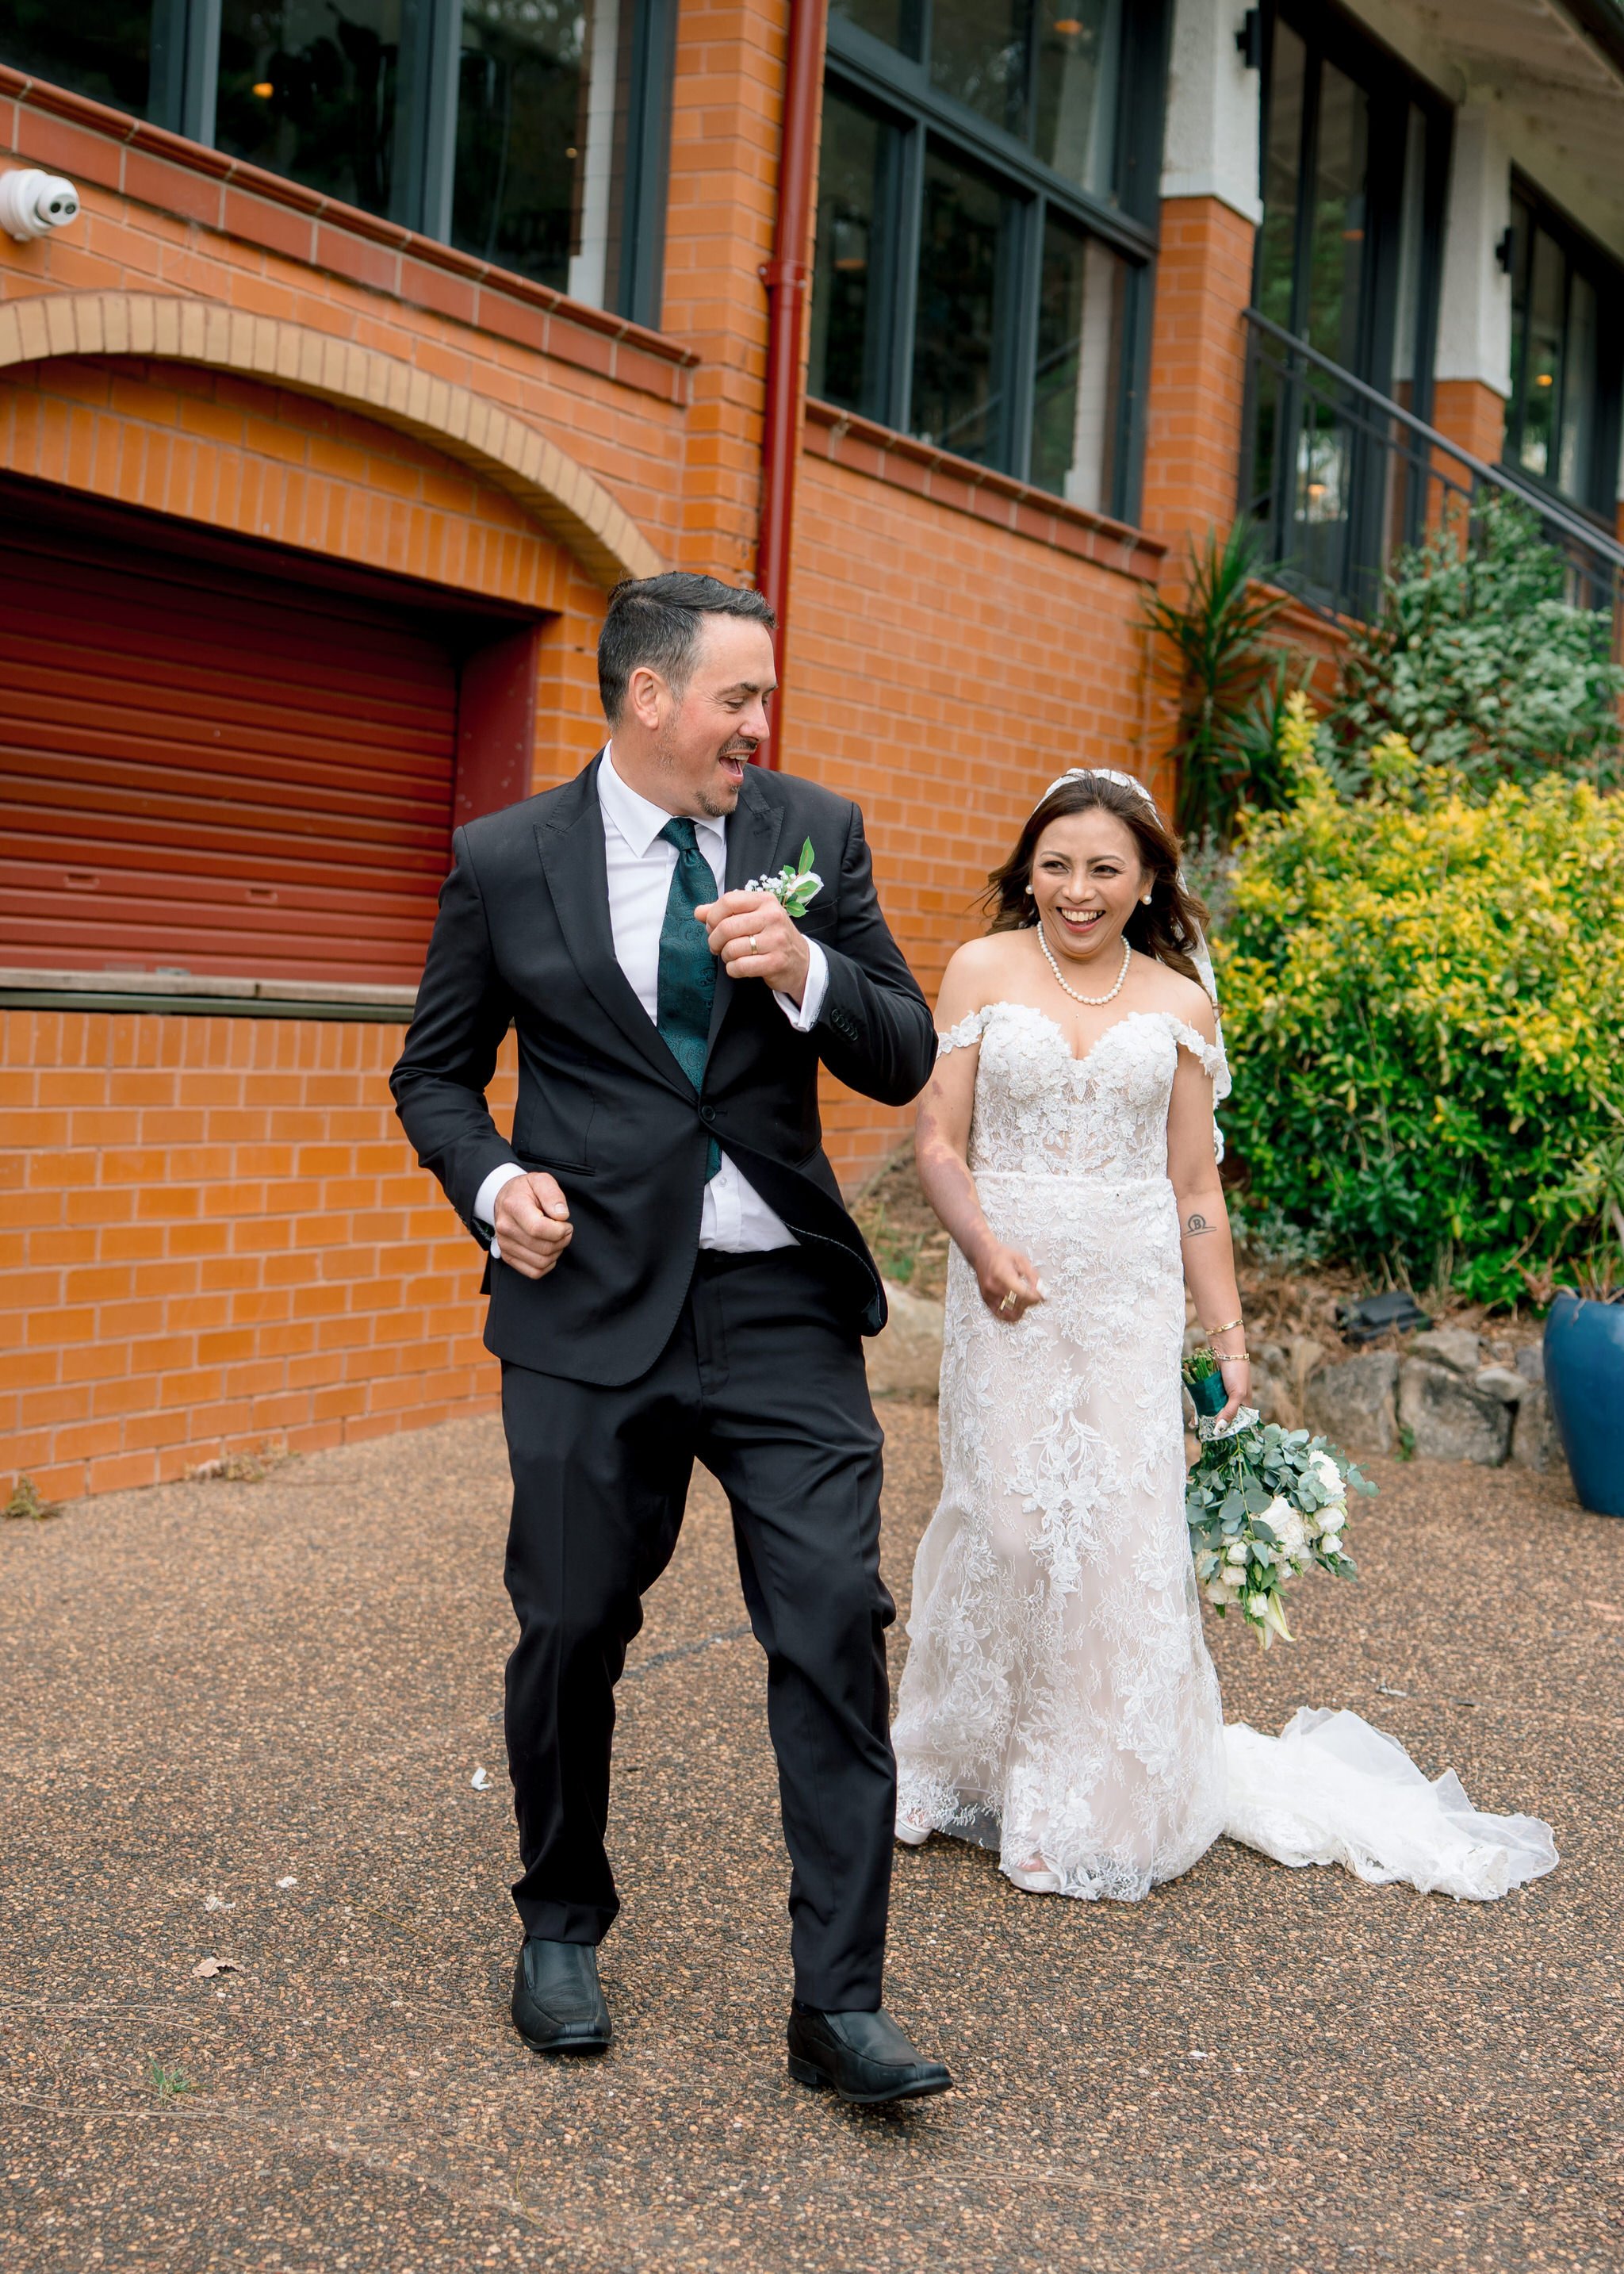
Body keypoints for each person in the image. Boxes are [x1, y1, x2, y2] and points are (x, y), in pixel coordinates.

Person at [391, 573, 952, 2103]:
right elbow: (433, 1077)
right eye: (737, 699)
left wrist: (811, 971)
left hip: (779, 1306)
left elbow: (902, 1054)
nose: (758, 729)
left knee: (834, 1619)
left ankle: (838, 2001)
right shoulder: (507, 859)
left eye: (764, 701)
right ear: (648, 697)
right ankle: (559, 1921)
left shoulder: (812, 835)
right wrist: (497, 1185)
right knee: (572, 1624)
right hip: (586, 1309)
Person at [890, 769, 1557, 1904]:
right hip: (1008, 1289)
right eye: (1057, 864)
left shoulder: (1180, 1004)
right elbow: (938, 1143)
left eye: (1105, 867)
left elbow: (1195, 1184)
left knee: (1108, 1546)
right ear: (1029, 871)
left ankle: (1071, 1801)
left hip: (1127, 1297)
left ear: (1147, 878)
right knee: (1004, 1522)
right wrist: (983, 1246)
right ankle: (955, 1758)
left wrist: (1227, 1334)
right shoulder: (982, 971)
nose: (1078, 889)